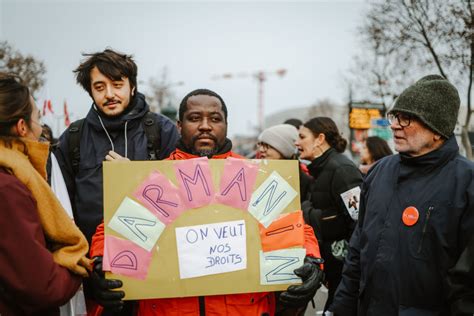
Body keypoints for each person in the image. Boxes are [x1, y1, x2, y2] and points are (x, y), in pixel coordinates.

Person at [88, 88, 325, 315]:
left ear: (226, 125)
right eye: (194, 118)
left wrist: (313, 261)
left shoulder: (255, 176)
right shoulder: (157, 179)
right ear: (179, 126)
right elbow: (116, 230)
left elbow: (291, 225)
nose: (205, 126)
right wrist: (98, 263)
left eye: (214, 118)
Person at [330, 75, 474, 315]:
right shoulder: (379, 173)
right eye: (395, 116)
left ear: (437, 129)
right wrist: (341, 308)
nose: (395, 125)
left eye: (406, 118)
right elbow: (357, 252)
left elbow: (468, 284)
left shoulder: (466, 183)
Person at [54, 49, 179, 245]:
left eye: (117, 85)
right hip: (90, 262)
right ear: (91, 91)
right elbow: (59, 208)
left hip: (156, 257)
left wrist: (133, 175)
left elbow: (183, 195)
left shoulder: (162, 130)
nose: (109, 94)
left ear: (132, 87)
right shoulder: (72, 137)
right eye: (100, 87)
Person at [0, 73, 91, 315]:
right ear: (22, 127)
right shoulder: (8, 189)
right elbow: (42, 285)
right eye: (37, 118)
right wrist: (76, 267)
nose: (40, 128)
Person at [295, 117, 363, 314]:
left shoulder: (342, 170)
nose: (296, 143)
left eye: (301, 137)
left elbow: (358, 219)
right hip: (333, 270)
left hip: (345, 274)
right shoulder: (321, 169)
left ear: (319, 139)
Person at [257, 123, 312, 202]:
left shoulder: (304, 182)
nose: (261, 150)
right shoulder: (258, 175)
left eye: (267, 145)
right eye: (260, 145)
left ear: (285, 149)